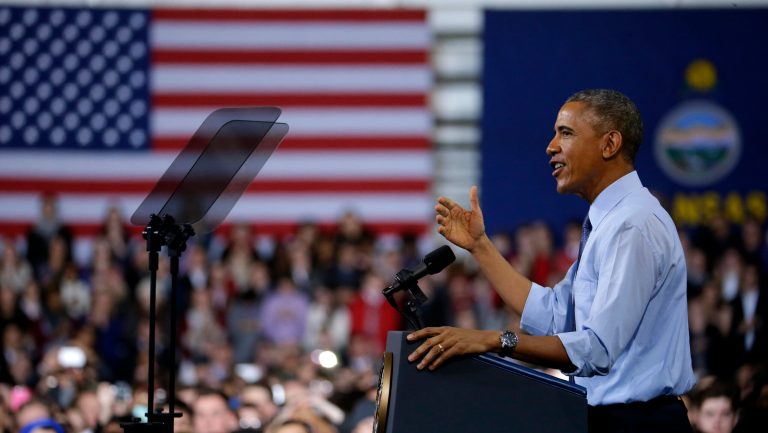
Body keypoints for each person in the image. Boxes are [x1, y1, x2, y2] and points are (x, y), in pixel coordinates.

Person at [407, 89, 696, 432]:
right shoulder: (612, 221)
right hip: (609, 418)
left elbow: (596, 348)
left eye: (566, 133)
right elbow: (556, 316)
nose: (551, 146)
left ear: (610, 144)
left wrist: (495, 340)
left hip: (639, 424)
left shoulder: (632, 225)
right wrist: (480, 247)